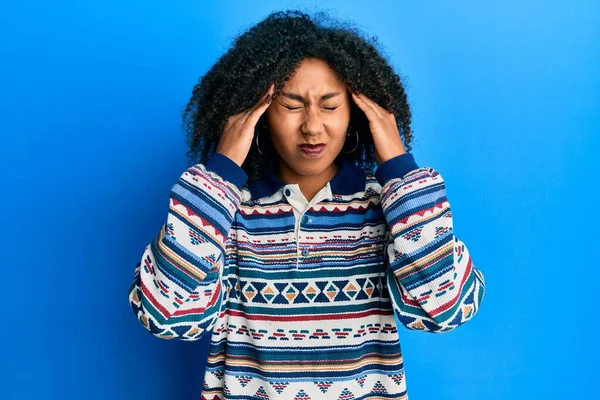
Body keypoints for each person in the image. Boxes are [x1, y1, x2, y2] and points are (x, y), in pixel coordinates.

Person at [127, 9, 486, 400]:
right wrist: (221, 173)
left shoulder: (391, 208)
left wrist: (399, 167)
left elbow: (448, 308)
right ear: (259, 114)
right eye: (292, 105)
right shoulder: (221, 211)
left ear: (357, 113)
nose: (312, 127)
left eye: (330, 106)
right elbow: (162, 313)